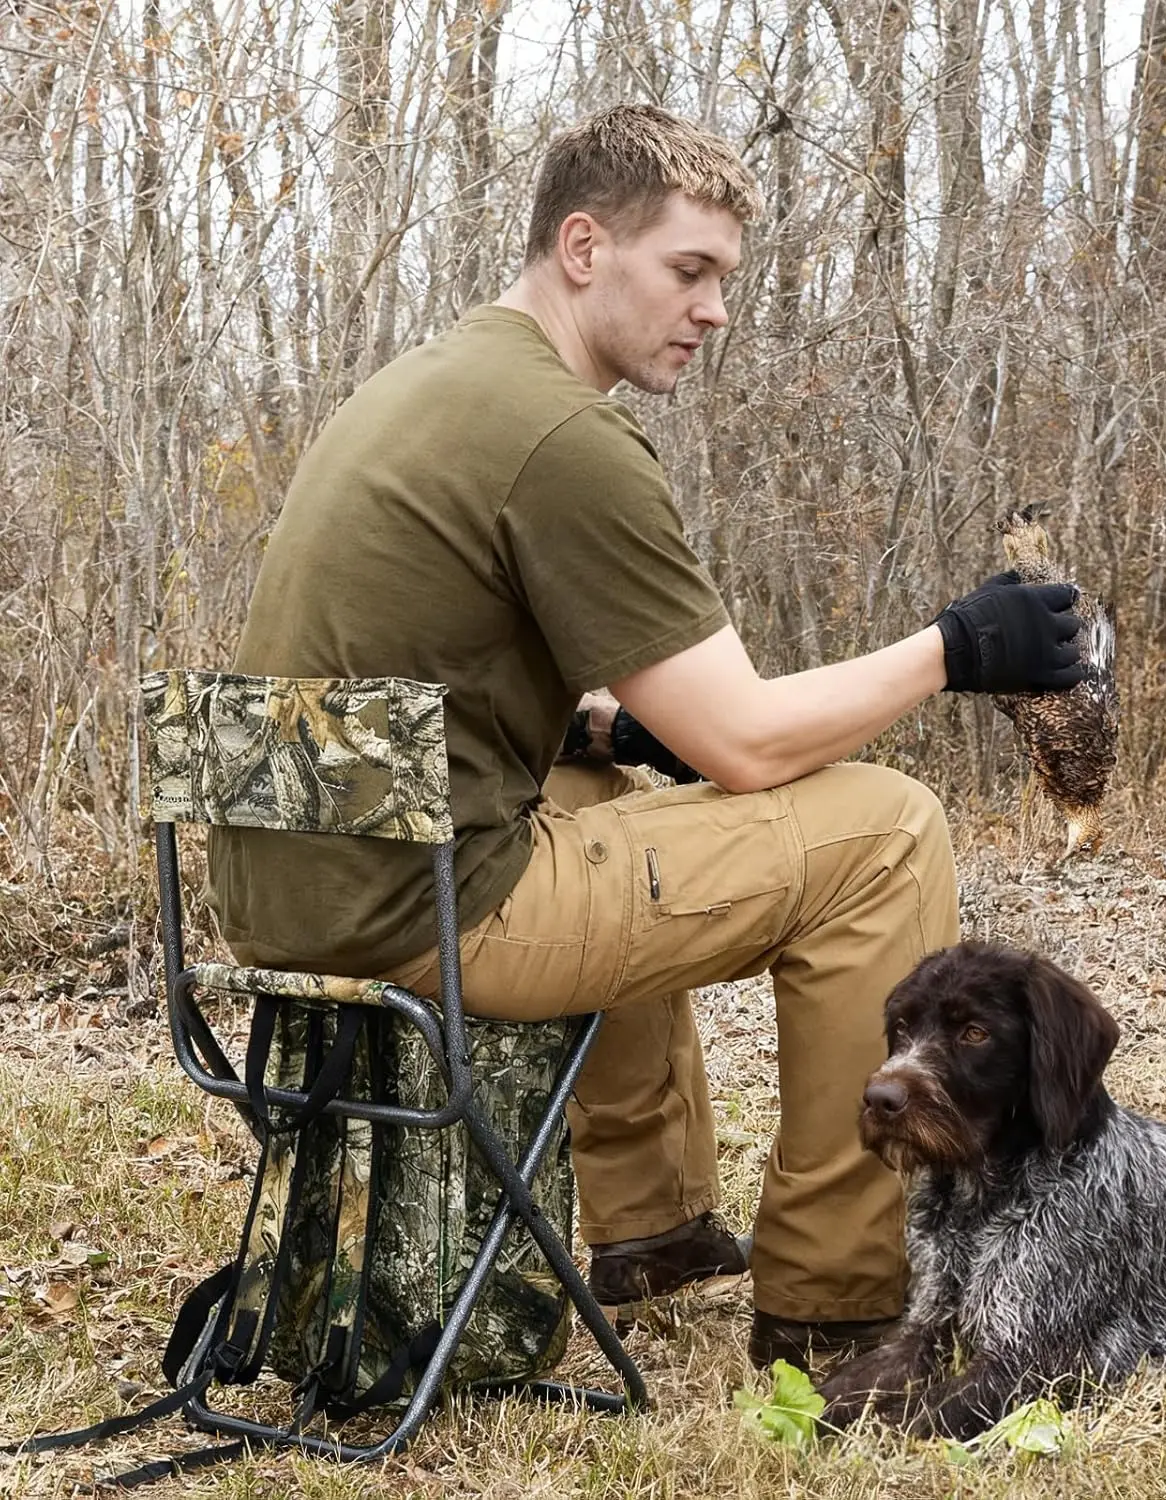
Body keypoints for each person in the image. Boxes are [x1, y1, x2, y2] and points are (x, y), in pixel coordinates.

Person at [206, 103, 1083, 1371]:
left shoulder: (433, 382)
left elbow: (418, 672)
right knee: (886, 831)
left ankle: (651, 1227)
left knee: (601, 774)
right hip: (420, 912)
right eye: (689, 271)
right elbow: (749, 744)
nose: (715, 310)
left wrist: (619, 725)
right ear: (581, 247)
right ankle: (835, 1298)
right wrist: (959, 647)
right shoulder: (564, 433)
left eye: (725, 279)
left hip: (296, 883)